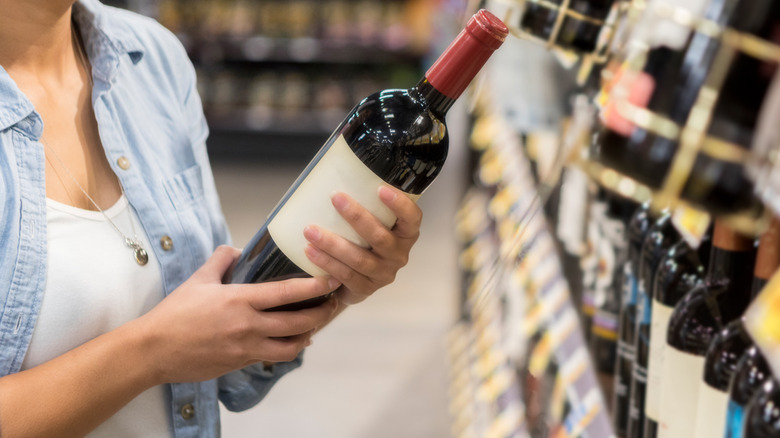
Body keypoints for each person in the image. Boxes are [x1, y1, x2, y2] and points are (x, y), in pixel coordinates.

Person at [0, 0, 423, 436]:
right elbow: (173, 347)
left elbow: (227, 368)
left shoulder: (149, 58)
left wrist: (334, 279)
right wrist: (151, 353)